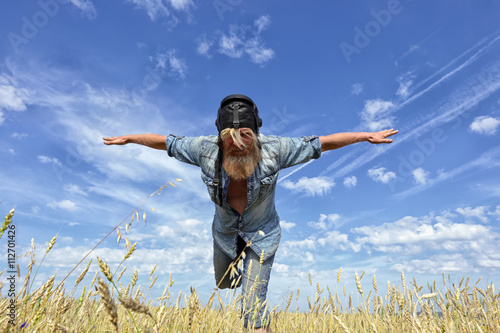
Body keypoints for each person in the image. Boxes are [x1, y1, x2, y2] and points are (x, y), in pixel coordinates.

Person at [103, 94, 398, 332]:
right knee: (225, 283)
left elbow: (323, 143)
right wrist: (128, 138)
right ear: (220, 136)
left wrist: (365, 136)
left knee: (251, 308)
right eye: (230, 137)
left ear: (256, 133)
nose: (239, 143)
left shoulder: (276, 150)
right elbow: (166, 142)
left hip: (262, 235)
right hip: (225, 235)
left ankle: (256, 319)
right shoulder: (204, 149)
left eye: (246, 135)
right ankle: (248, 296)